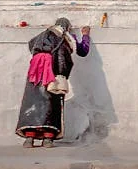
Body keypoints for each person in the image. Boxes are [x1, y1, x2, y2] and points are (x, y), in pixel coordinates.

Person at [15, 17, 91, 147]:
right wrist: (85, 36)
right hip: (53, 73)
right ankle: (48, 139)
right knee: (52, 103)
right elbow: (82, 51)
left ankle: (29, 138)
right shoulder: (65, 37)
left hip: (35, 73)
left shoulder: (42, 35)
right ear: (67, 28)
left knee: (32, 103)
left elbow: (31, 44)